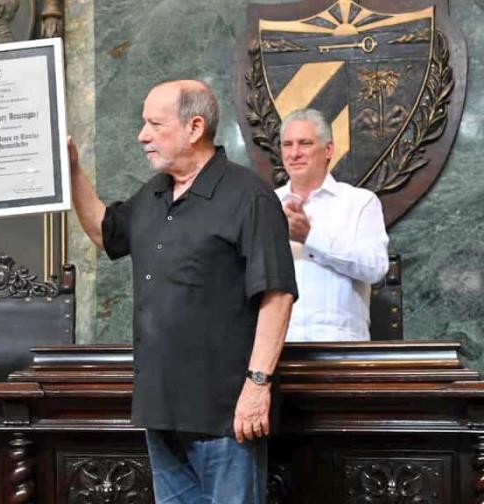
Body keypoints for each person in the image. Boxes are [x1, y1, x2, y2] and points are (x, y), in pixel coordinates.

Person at [68, 80, 297, 504]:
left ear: (195, 127)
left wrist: (258, 385)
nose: (142, 135)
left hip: (225, 413)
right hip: (162, 409)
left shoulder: (249, 196)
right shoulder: (154, 192)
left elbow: (277, 295)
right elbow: (108, 234)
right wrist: (73, 172)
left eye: (155, 124)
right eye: (143, 124)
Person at [276, 108, 389, 342]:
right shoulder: (266, 204)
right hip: (277, 350)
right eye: (287, 144)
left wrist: (310, 237)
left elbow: (375, 268)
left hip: (342, 350)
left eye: (304, 143)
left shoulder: (360, 202)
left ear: (328, 150)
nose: (294, 153)